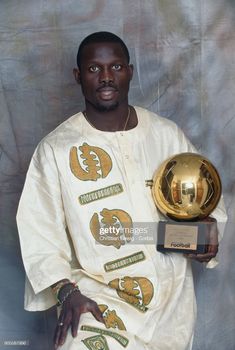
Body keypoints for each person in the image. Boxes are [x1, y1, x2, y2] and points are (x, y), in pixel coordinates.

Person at [16, 31, 227, 350]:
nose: (105, 77)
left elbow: (208, 215)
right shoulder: (56, 150)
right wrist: (66, 292)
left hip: (171, 304)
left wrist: (205, 238)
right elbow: (39, 234)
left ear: (129, 71)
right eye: (93, 69)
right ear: (78, 76)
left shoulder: (166, 136)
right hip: (97, 299)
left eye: (115, 67)